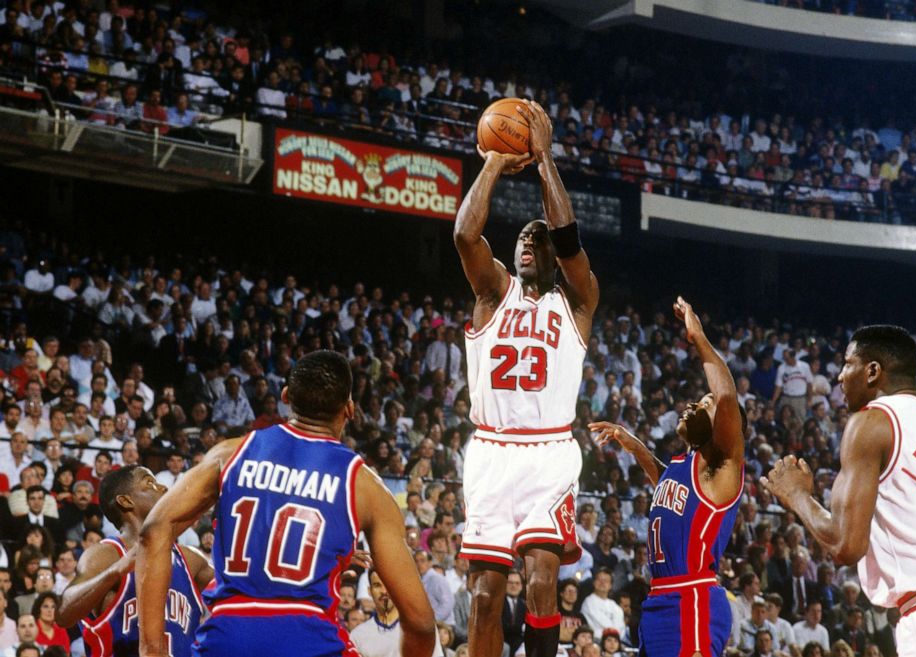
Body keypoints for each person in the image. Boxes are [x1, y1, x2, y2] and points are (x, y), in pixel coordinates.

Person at [136, 350, 436, 657]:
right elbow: (421, 623)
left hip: (227, 636)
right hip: (310, 637)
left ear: (285, 396)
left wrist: (152, 649)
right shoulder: (364, 485)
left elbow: (154, 530)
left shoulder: (230, 454)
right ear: (349, 409)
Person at [454, 99, 599, 657]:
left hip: (548, 452)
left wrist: (545, 161)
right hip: (491, 451)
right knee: (487, 595)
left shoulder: (577, 302)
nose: (528, 243)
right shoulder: (492, 293)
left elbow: (569, 238)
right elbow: (466, 237)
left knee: (542, 582)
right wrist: (493, 160)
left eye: (538, 241)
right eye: (522, 239)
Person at [762, 325, 916, 657]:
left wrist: (797, 495)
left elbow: (845, 545)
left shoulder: (872, 421)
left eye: (847, 363)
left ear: (872, 371)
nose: (840, 376)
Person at [589, 297, 746, 657]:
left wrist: (699, 338)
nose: (694, 404)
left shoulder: (722, 465)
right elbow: (665, 483)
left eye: (704, 404)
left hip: (692, 597)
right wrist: (634, 445)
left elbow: (726, 397)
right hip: (661, 597)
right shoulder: (685, 466)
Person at [55, 465, 212, 656]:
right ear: (126, 501)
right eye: (150, 483)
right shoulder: (106, 555)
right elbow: (63, 615)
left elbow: (237, 593)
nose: (163, 488)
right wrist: (116, 570)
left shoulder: (190, 559)